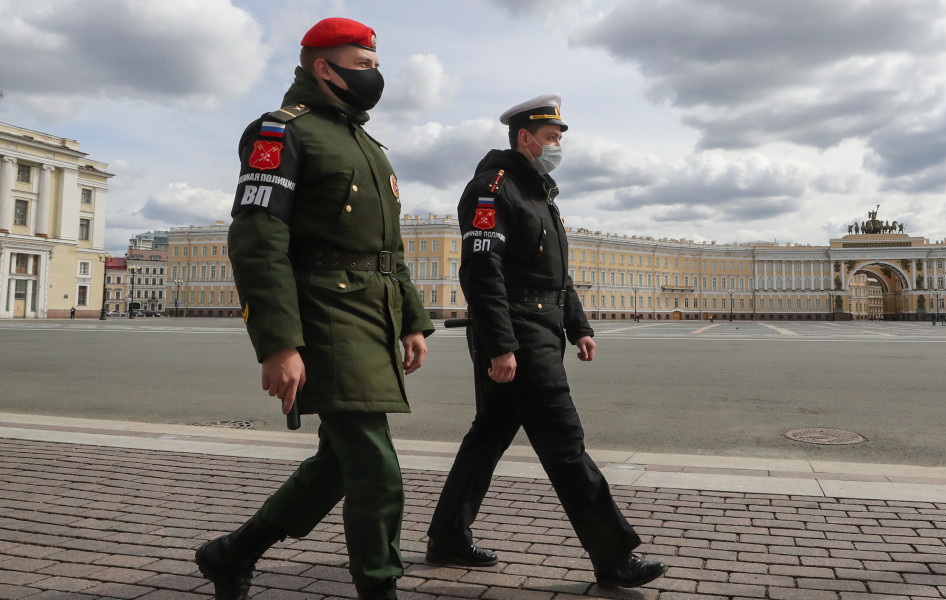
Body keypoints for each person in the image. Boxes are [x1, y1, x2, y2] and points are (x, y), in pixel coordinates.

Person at [193, 18, 433, 600]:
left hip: (371, 316)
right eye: (363, 64)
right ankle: (380, 589)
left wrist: (412, 319)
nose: (375, 75)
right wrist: (279, 342)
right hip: (324, 312)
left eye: (376, 65)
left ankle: (233, 553)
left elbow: (389, 249)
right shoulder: (281, 131)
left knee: (337, 463)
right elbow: (258, 237)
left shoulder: (366, 144)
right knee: (374, 463)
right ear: (323, 66)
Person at [425, 94, 667, 589]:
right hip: (519, 337)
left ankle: (448, 536)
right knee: (565, 445)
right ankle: (613, 555)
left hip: (536, 332)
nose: (558, 145)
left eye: (559, 138)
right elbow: (481, 272)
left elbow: (557, 275)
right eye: (553, 138)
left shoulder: (539, 194)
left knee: (487, 438)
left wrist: (578, 326)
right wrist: (499, 346)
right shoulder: (492, 189)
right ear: (525, 138)